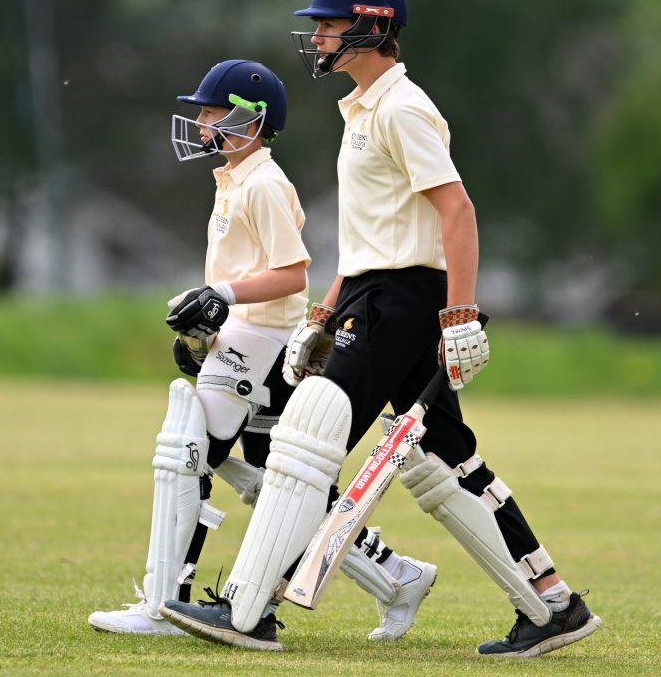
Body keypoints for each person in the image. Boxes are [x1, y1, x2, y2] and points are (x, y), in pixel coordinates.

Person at [158, 0, 603, 658]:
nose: (319, 38)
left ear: (371, 26)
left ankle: (249, 612)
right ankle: (551, 604)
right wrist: (325, 313)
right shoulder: (365, 109)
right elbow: (372, 235)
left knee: (306, 433)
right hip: (374, 294)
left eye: (329, 25)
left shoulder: (401, 108)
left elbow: (456, 211)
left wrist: (459, 315)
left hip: (404, 301)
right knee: (444, 461)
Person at [87, 58, 436, 643]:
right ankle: (397, 577)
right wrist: (211, 335)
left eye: (212, 111)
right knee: (278, 485)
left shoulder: (265, 184)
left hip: (266, 342)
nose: (200, 123)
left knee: (189, 455)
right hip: (248, 341)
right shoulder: (233, 180)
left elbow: (292, 274)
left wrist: (220, 296)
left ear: (251, 120)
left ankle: (164, 603)